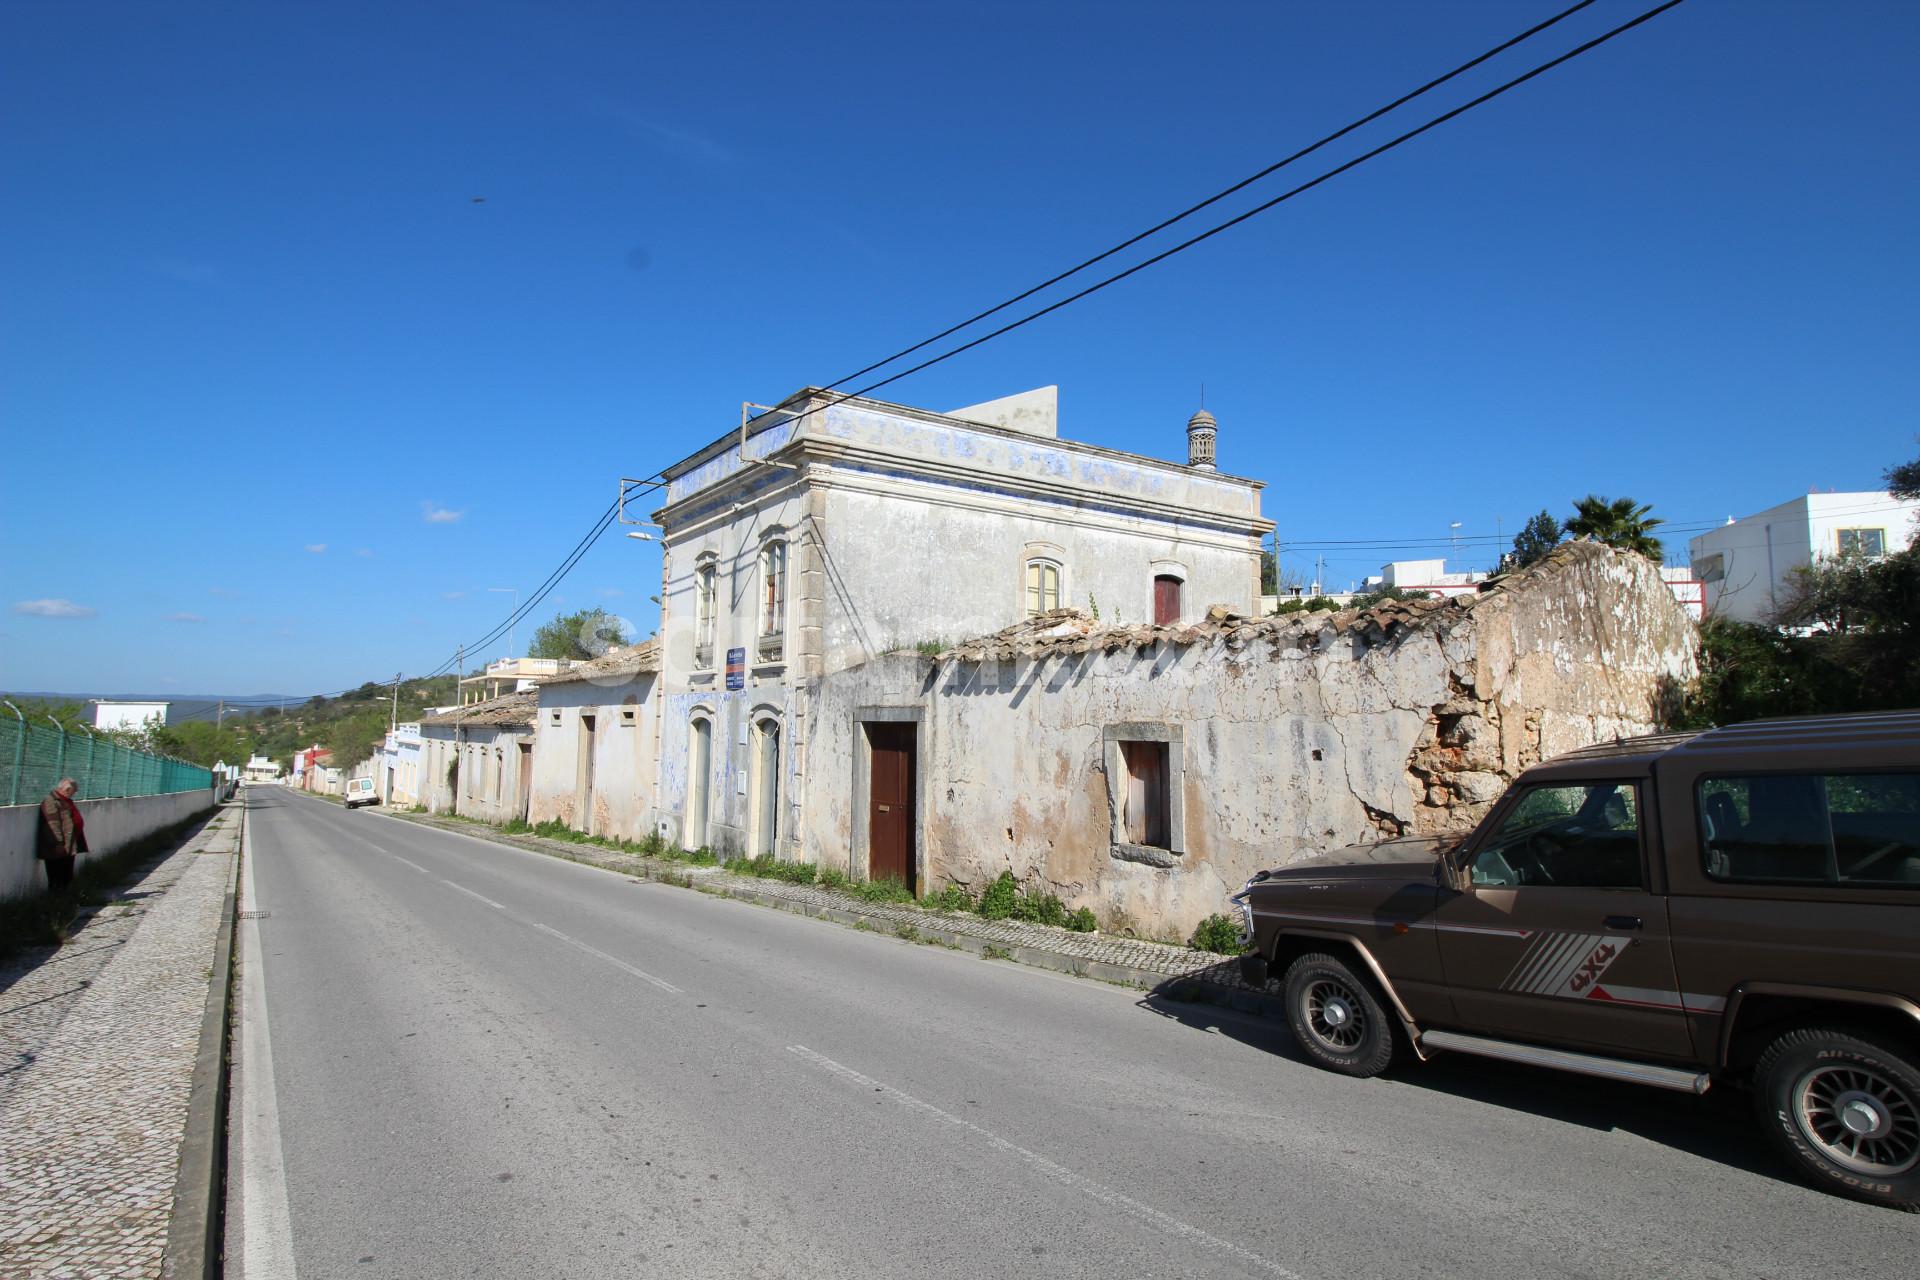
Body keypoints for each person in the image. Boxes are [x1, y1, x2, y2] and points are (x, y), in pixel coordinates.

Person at [37, 777, 87, 892]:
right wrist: (58, 843)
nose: (74, 794)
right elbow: (52, 824)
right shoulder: (52, 802)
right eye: (74, 791)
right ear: (67, 789)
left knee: (67, 874)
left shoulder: (65, 800)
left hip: (68, 844)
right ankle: (56, 900)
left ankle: (64, 896)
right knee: (56, 874)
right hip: (57, 846)